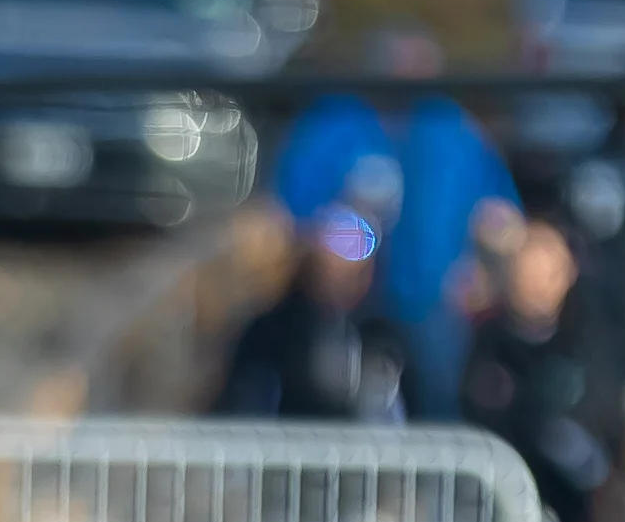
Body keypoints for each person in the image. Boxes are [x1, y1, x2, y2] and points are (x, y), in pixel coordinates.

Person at [271, 24, 519, 415]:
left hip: (436, 304)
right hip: (342, 307)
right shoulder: (332, 123)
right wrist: (336, 246)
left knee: (441, 388)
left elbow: (500, 216)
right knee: (323, 386)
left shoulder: (455, 131)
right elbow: (291, 215)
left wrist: (484, 267)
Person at [460, 217, 610, 522]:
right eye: (531, 266)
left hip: (567, 518)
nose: (540, 280)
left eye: (551, 268)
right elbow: (487, 417)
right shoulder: (490, 345)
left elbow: (597, 427)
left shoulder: (585, 345)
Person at [216, 201, 405, 421]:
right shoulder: (271, 332)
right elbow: (247, 403)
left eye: (355, 274)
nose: (342, 282)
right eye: (331, 270)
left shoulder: (383, 337)